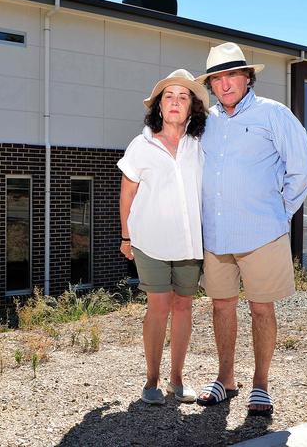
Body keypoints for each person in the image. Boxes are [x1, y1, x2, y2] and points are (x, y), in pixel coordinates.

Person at [195, 42, 307, 416]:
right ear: (211, 84)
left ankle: (260, 384)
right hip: (217, 236)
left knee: (262, 309)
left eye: (232, 75)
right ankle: (225, 379)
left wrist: (281, 213)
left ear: (248, 77)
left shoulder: (273, 114)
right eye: (217, 78)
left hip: (263, 234)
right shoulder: (207, 122)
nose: (225, 84)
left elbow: (302, 167)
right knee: (221, 306)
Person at [117, 69, 209, 405]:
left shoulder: (200, 145)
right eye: (169, 96)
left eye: (183, 97)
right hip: (150, 242)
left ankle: (177, 379)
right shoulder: (140, 145)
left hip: (190, 242)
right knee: (159, 307)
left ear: (191, 109)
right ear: (158, 106)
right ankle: (151, 381)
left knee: (183, 307)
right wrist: (126, 237)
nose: (175, 102)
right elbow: (127, 194)